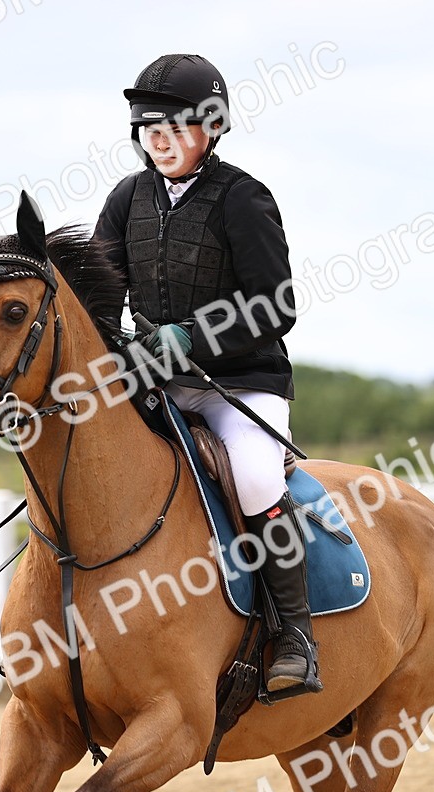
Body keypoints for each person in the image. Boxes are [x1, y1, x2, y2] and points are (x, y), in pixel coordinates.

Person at [93, 54, 320, 698]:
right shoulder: (126, 199)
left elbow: (277, 305)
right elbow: (104, 300)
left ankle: (297, 636)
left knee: (251, 475)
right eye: (147, 128)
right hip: (157, 381)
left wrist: (189, 337)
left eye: (173, 127)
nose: (157, 140)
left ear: (211, 127)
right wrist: (120, 347)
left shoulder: (243, 198)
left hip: (241, 384)